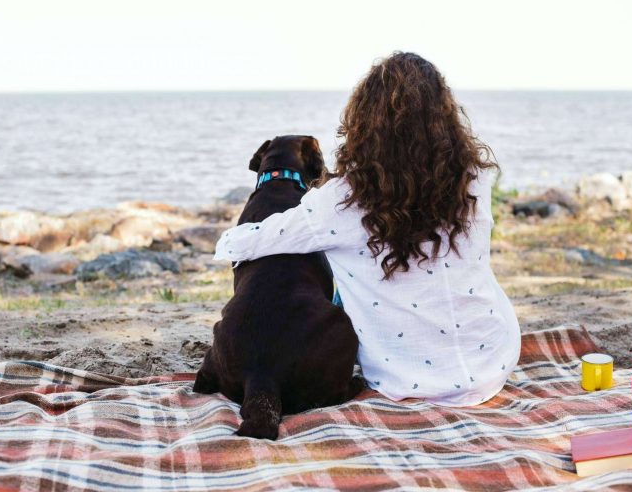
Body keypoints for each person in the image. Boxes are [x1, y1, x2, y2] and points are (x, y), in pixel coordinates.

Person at [213, 52, 520, 407]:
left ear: (364, 123)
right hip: (491, 362)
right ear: (445, 120)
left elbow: (236, 245)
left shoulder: (341, 201)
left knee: (344, 267)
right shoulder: (475, 179)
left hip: (405, 377)